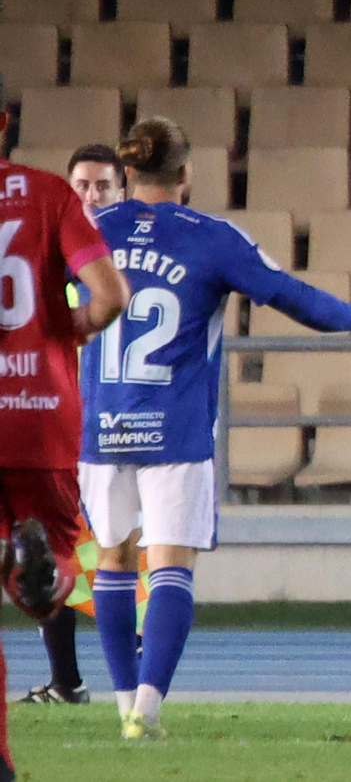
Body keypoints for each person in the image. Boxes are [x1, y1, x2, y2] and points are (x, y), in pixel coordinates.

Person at [79, 118, 351, 740]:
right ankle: (148, 712)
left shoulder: (89, 232)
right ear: (187, 175)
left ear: (127, 173)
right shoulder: (213, 239)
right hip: (177, 430)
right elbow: (284, 293)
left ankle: (120, 700)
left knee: (112, 560)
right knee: (170, 568)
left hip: (100, 425)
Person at [0, 95, 130, 780]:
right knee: (55, 569)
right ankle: (39, 571)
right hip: (40, 409)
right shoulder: (49, 196)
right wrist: (74, 328)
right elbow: (109, 296)